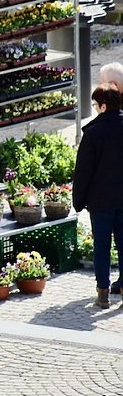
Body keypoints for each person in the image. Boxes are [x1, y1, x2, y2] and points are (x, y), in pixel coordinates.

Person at [73, 84, 123, 308]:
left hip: (101, 201)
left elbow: (84, 171)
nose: (94, 109)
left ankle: (103, 293)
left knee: (102, 246)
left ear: (103, 106)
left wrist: (79, 200)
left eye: (94, 105)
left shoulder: (93, 134)